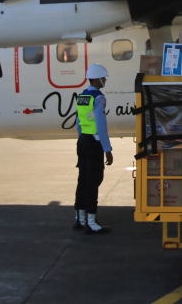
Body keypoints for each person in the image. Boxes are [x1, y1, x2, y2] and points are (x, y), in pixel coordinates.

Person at [73, 63, 114, 234]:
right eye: (103, 78)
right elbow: (101, 124)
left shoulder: (83, 96)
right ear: (97, 79)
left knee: (82, 180)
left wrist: (82, 138)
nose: (105, 80)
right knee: (93, 181)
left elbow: (78, 121)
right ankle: (91, 221)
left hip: (82, 141)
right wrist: (107, 148)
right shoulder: (99, 98)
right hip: (94, 142)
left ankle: (80, 218)